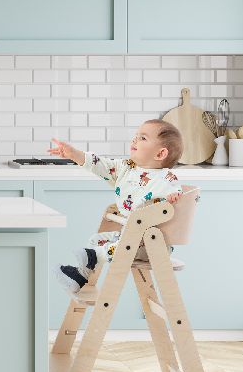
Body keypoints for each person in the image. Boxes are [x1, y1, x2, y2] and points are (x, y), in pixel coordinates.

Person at [48, 119, 184, 295]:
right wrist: (74, 154)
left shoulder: (166, 179)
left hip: (151, 245)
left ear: (160, 153)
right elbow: (100, 164)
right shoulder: (127, 168)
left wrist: (174, 198)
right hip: (129, 236)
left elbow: (180, 199)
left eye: (142, 138)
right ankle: (80, 277)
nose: (134, 140)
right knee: (96, 240)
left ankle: (94, 256)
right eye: (136, 135)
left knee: (109, 248)